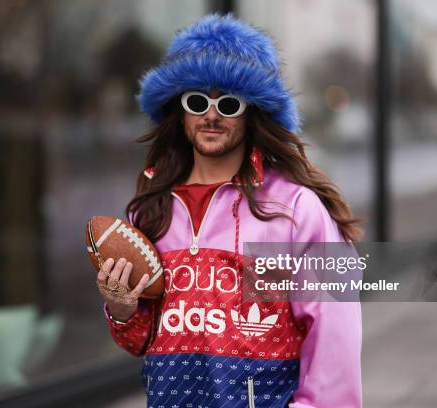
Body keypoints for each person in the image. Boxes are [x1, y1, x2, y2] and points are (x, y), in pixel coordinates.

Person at [96, 14, 363, 408]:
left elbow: (335, 340)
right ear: (179, 110)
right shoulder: (151, 211)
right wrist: (121, 309)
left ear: (252, 112)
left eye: (230, 103)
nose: (212, 115)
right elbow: (141, 341)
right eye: (198, 100)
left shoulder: (295, 209)